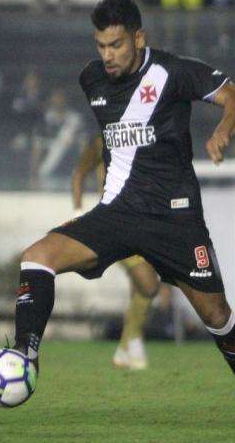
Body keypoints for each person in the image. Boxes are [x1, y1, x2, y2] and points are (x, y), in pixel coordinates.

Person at [0, 0, 235, 433]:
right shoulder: (91, 79)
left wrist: (221, 131)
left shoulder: (175, 71)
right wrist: (83, 171)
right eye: (101, 45)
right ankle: (27, 354)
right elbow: (109, 136)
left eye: (116, 44)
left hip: (174, 218)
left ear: (138, 37)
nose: (107, 55)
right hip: (117, 213)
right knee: (37, 256)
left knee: (215, 314)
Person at [72, 136, 160, 370]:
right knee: (149, 284)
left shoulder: (146, 136)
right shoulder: (103, 140)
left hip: (146, 223)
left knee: (142, 288)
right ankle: (132, 341)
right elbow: (79, 174)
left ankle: (124, 349)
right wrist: (79, 214)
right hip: (116, 223)